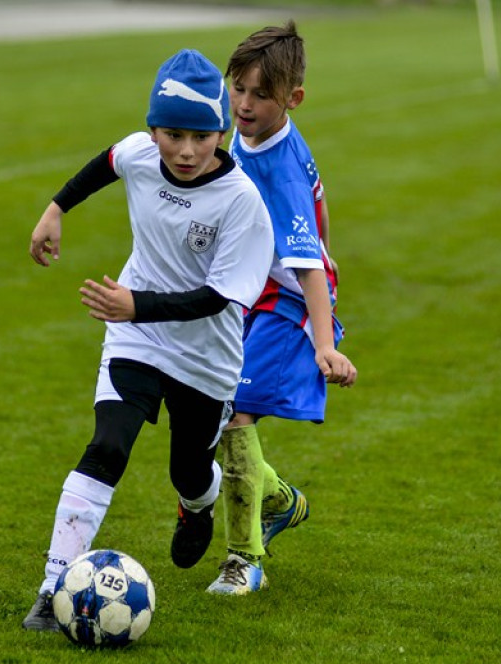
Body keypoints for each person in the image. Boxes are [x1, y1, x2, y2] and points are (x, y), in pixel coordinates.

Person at [21, 49, 274, 631]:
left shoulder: (241, 203)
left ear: (220, 130)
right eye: (171, 134)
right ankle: (52, 586)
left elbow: (218, 298)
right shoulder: (140, 152)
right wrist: (55, 209)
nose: (185, 151)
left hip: (207, 356)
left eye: (200, 136)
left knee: (188, 471)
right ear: (153, 129)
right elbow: (107, 162)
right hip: (135, 339)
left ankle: (197, 506)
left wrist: (134, 305)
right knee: (107, 446)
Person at [206, 21, 358, 596]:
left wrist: (324, 345)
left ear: (292, 99)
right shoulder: (243, 136)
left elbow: (310, 265)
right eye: (237, 88)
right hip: (246, 290)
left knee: (235, 411)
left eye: (260, 95)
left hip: (287, 300)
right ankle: (278, 500)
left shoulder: (283, 167)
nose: (243, 104)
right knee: (214, 414)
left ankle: (244, 560)